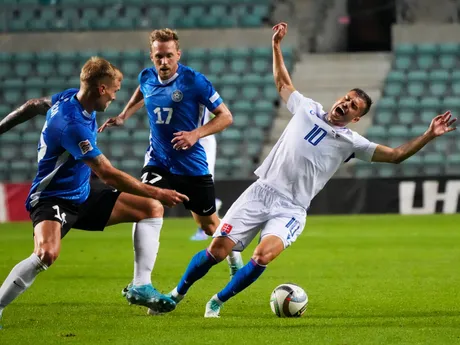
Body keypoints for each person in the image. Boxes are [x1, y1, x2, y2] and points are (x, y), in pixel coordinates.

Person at [146, 22, 457, 318]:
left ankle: (217, 301)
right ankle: (176, 294)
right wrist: (276, 46)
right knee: (216, 250)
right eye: (346, 99)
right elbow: (283, 83)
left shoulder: (352, 142)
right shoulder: (306, 108)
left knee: (261, 256)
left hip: (292, 208)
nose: (346, 105)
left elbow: (396, 155)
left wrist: (429, 135)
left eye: (353, 107)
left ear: (357, 118)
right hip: (261, 191)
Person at [0, 57, 189, 329]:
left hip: (83, 194)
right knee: (46, 255)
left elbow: (33, 105)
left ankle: (141, 286)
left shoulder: (67, 98)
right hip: (53, 198)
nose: (115, 96)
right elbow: (108, 173)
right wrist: (158, 192)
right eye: (114, 90)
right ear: (101, 89)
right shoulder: (71, 123)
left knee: (150, 208)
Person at [97, 28, 244, 300]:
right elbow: (142, 91)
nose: (163, 63)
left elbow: (226, 117)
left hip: (192, 168)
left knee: (210, 225)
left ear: (179, 54)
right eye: (158, 57)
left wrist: (195, 134)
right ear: (151, 56)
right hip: (158, 162)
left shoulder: (195, 82)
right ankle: (140, 282)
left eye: (168, 56)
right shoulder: (147, 76)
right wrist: (124, 115)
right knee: (146, 207)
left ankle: (234, 260)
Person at [190, 108, 223, 241]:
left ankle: (204, 228)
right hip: (187, 140)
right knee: (191, 187)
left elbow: (223, 115)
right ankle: (212, 204)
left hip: (204, 141)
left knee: (203, 182)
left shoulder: (202, 89)